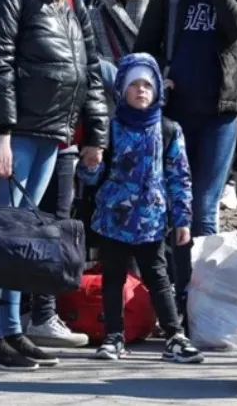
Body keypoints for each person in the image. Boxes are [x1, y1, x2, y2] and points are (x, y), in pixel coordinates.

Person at [0, 0, 109, 371]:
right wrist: (3, 133)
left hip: (54, 133)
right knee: (1, 237)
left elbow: (88, 68)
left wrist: (95, 132)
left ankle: (13, 330)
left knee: (23, 239)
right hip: (18, 134)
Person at [133, 0, 237, 312]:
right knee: (173, 206)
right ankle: (168, 296)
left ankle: (198, 304)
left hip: (220, 114)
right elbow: (145, 47)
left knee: (204, 208)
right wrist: (157, 81)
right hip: (175, 116)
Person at [78, 53, 203, 364]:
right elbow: (91, 176)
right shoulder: (109, 128)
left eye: (147, 84)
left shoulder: (168, 130)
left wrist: (183, 218)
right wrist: (90, 165)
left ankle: (174, 335)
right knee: (113, 277)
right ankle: (113, 335)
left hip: (151, 220)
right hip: (112, 218)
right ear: (121, 89)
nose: (141, 91)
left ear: (158, 89)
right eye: (134, 85)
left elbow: (179, 176)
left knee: (158, 277)